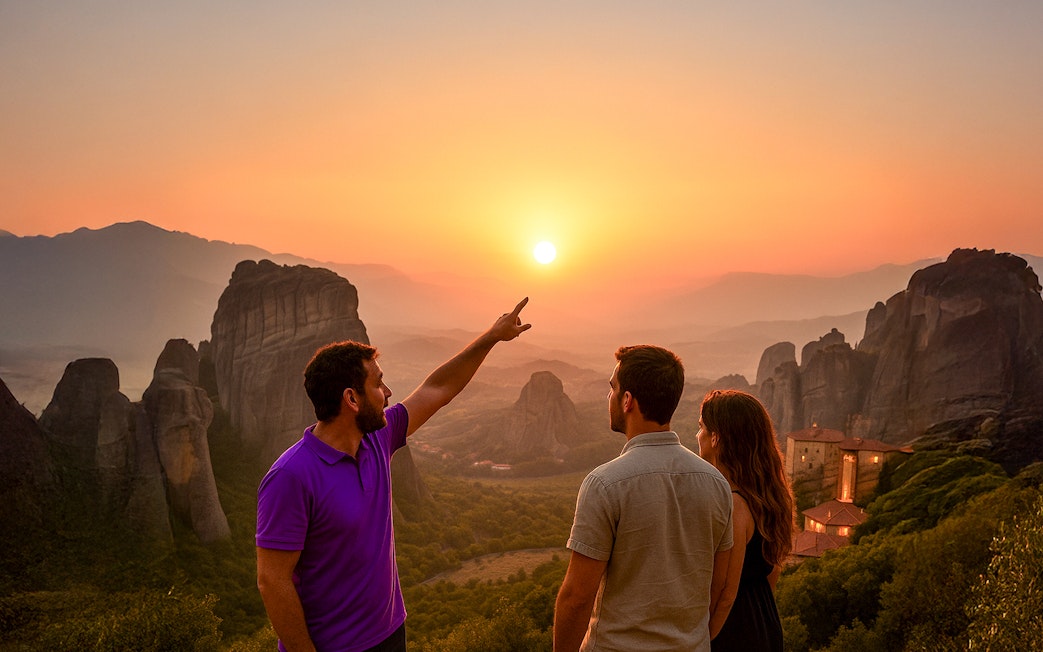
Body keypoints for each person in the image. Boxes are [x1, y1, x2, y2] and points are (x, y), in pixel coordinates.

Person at [256, 298, 532, 652]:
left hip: (390, 634)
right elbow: (272, 581)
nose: (388, 394)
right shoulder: (291, 476)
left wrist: (491, 337)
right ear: (352, 399)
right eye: (379, 384)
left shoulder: (377, 439)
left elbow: (437, 389)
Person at [554, 345, 734, 651]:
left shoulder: (605, 484)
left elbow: (577, 597)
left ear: (627, 401)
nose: (608, 396)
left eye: (612, 388)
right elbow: (717, 587)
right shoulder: (716, 483)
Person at [697, 390, 795, 652]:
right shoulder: (764, 497)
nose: (698, 436)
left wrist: (702, 640)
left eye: (701, 427)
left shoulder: (735, 505)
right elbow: (773, 571)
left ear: (716, 437)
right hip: (763, 620)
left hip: (733, 631)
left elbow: (725, 593)